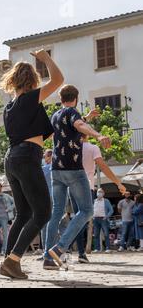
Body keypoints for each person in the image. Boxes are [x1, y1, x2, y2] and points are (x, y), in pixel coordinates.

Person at [0, 49, 64, 279]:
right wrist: (45, 58)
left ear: (14, 80)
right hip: (27, 156)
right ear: (32, 80)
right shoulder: (30, 98)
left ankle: (8, 261)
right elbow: (58, 80)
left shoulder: (10, 107)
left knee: (24, 213)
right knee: (43, 212)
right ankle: (14, 259)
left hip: (12, 158)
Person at [44, 85, 113, 270]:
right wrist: (98, 135)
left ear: (61, 98)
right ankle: (59, 249)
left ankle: (47, 258)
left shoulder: (56, 115)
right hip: (73, 168)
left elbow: (74, 125)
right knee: (86, 211)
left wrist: (87, 118)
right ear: (76, 98)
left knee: (57, 212)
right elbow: (79, 125)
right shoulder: (72, 112)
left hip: (56, 169)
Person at [71, 133, 126, 263]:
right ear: (87, 135)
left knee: (76, 220)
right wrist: (118, 183)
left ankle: (77, 251)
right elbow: (103, 166)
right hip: (86, 187)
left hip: (71, 187)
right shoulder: (93, 147)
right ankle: (79, 253)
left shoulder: (72, 147)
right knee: (82, 220)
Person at [92, 188, 114, 253]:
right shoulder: (94, 201)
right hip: (95, 219)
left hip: (103, 219)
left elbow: (111, 210)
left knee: (106, 234)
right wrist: (92, 216)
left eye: (101, 192)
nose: (99, 193)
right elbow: (91, 210)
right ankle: (97, 248)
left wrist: (106, 216)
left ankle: (108, 248)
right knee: (96, 235)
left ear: (103, 194)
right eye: (98, 192)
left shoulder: (106, 201)